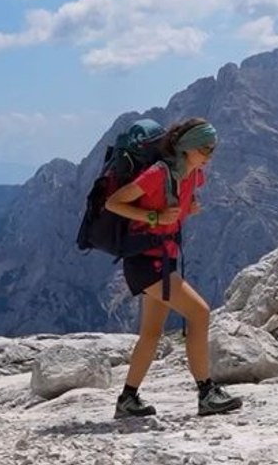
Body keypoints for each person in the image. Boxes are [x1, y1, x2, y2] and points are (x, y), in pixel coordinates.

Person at [103, 117, 243, 419]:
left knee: (152, 333)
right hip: (145, 261)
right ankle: (206, 392)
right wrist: (155, 218)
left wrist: (187, 209)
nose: (210, 154)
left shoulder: (193, 175)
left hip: (164, 259)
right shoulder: (157, 173)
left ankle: (127, 399)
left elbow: (180, 204)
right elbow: (114, 203)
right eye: (205, 148)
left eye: (213, 148)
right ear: (188, 147)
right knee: (200, 312)